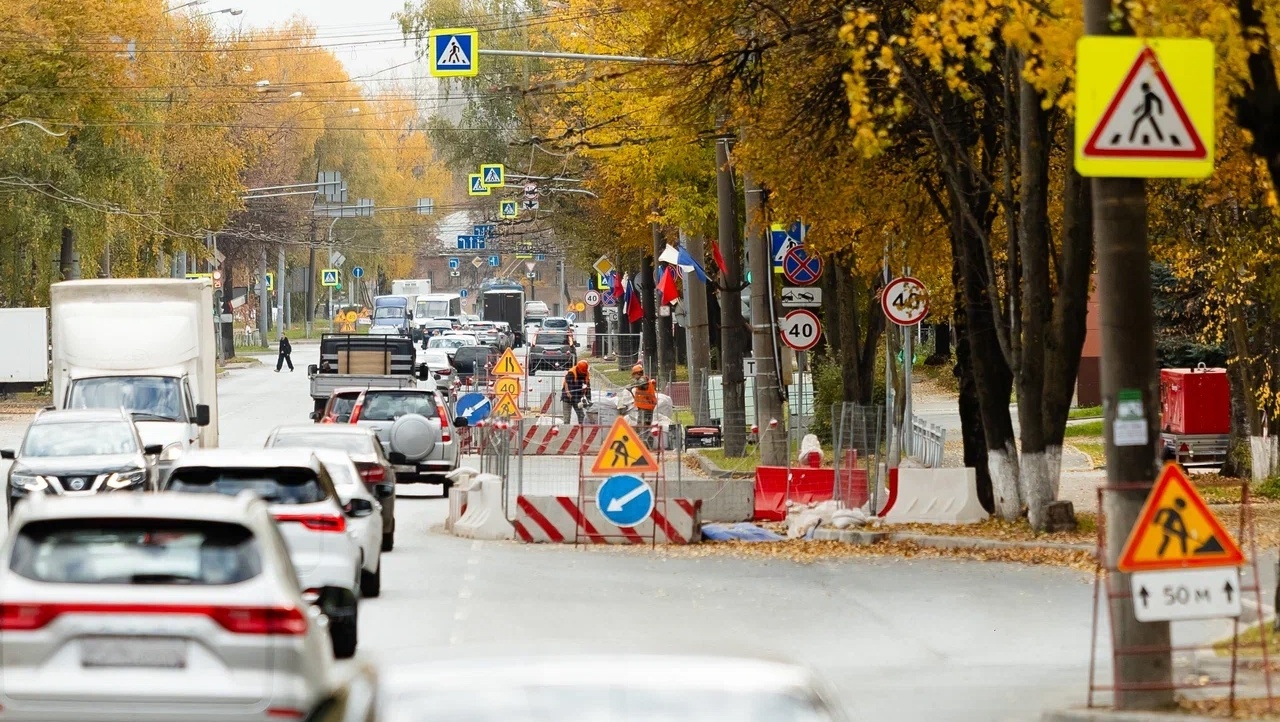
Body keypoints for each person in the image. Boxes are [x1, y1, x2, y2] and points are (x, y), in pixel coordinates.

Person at [561, 360, 592, 424]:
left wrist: (588, 399)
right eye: (582, 372)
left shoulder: (586, 373)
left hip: (577, 396)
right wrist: (577, 401)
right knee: (567, 419)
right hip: (567, 396)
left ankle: (581, 431)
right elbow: (571, 389)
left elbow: (587, 387)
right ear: (578, 368)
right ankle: (567, 432)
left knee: (581, 416)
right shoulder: (571, 373)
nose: (583, 373)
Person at [628, 364, 657, 429]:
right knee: (644, 426)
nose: (634, 377)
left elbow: (641, 384)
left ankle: (642, 438)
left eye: (634, 375)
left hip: (646, 408)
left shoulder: (643, 380)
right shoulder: (642, 380)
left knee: (642, 427)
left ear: (637, 373)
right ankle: (644, 438)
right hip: (644, 407)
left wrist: (632, 385)